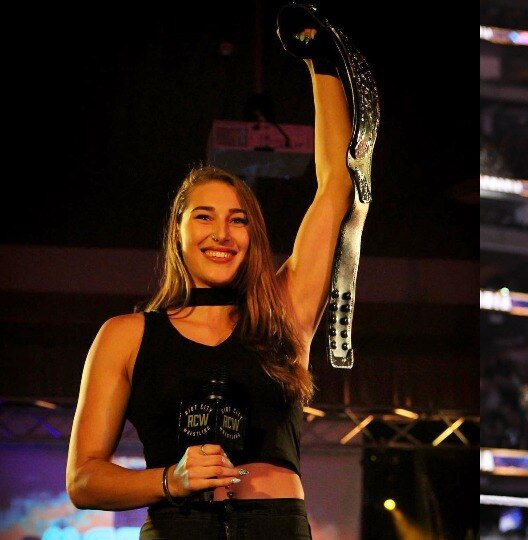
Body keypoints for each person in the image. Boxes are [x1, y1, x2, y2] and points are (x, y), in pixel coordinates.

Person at [65, 7, 369, 539]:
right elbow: (84, 480)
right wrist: (170, 479)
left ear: (253, 237)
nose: (221, 234)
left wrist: (320, 61)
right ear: (177, 234)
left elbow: (335, 188)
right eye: (203, 217)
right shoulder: (125, 336)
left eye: (238, 220)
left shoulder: (283, 312)